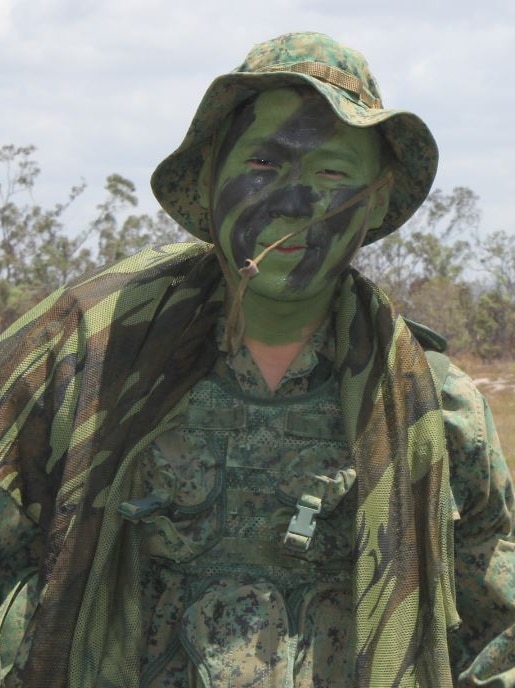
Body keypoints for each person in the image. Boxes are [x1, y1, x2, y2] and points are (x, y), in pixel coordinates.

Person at [0, 31, 513, 688]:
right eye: (264, 165)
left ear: (379, 197)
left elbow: (499, 629)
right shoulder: (84, 377)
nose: (292, 203)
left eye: (331, 173)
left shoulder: (435, 409)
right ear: (212, 176)